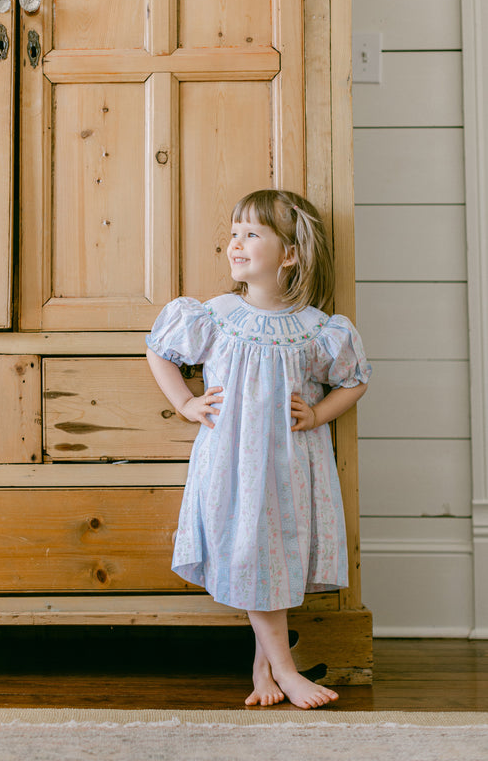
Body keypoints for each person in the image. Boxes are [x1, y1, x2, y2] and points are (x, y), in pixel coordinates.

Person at [146, 189, 371, 709]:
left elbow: (355, 381)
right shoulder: (218, 315)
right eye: (233, 234)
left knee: (271, 556)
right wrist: (185, 402)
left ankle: (263, 664)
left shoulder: (317, 328)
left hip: (291, 464)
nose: (236, 244)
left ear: (289, 254)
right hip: (232, 462)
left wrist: (317, 413)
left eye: (252, 234)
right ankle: (287, 671)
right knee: (250, 551)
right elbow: (160, 352)